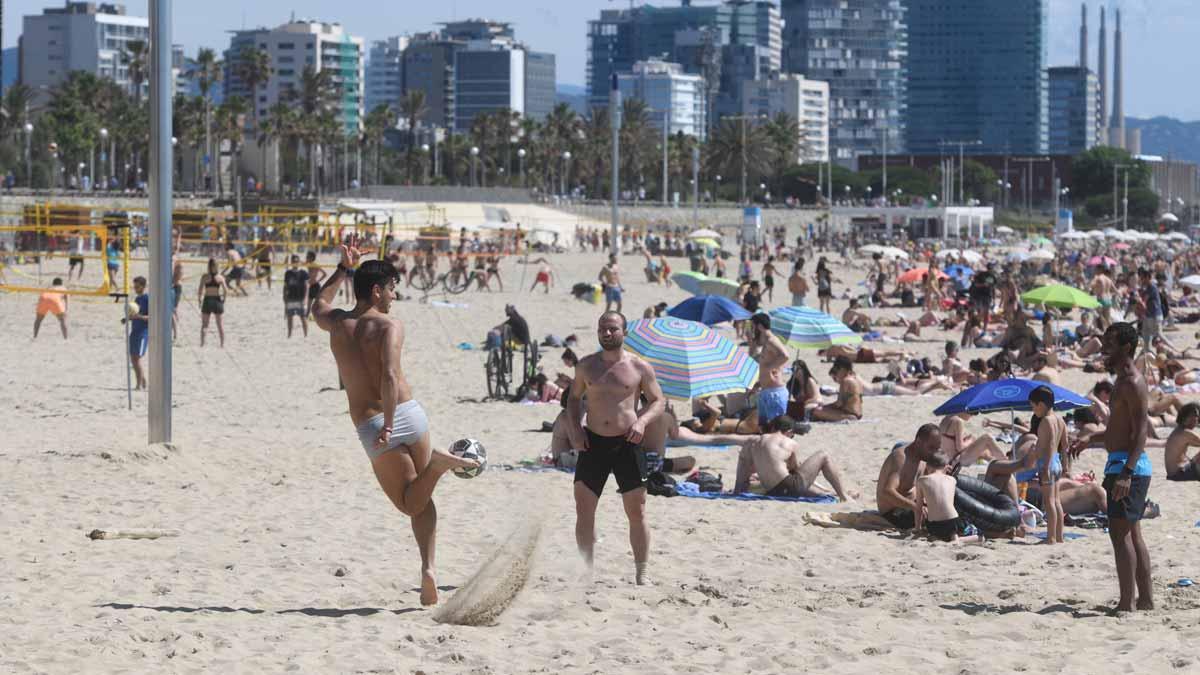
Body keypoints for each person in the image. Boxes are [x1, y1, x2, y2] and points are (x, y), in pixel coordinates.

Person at [312, 242, 478, 607]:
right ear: (376, 290)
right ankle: (429, 569)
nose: (394, 296)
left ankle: (436, 467)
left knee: (408, 503)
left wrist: (342, 267)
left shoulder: (338, 323)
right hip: (408, 414)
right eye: (391, 288)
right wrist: (393, 420)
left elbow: (317, 305)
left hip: (374, 424)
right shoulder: (389, 325)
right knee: (420, 497)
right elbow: (389, 374)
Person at [565, 311, 665, 585]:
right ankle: (586, 571)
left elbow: (658, 401)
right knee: (584, 509)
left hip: (627, 442)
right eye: (602, 329)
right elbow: (573, 400)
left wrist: (642, 422)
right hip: (592, 442)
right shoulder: (585, 366)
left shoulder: (639, 367)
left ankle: (642, 571)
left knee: (637, 509)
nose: (606, 334)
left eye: (612, 329)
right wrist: (574, 429)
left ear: (624, 332)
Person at [1095, 321, 1154, 612]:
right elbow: (1119, 428)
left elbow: (1142, 430)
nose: (1104, 345)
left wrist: (1126, 474)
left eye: (1110, 341)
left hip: (1127, 468)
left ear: (1126, 347)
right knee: (1133, 534)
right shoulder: (1121, 380)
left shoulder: (1132, 381)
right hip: (1121, 463)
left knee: (1119, 536)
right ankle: (1144, 600)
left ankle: (1126, 604)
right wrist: (1089, 438)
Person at [707, 416, 853, 501]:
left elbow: (746, 462)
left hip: (772, 490)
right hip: (789, 488)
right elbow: (795, 470)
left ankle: (737, 490)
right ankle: (843, 496)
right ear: (789, 432)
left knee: (744, 455)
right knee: (823, 455)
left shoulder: (755, 441)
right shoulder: (789, 442)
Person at [876, 424, 943, 530]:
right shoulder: (902, 459)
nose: (934, 452)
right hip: (894, 511)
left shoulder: (923, 458)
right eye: (931, 448)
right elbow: (887, 491)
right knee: (937, 518)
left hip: (915, 504)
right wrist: (914, 506)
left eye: (937, 449)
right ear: (918, 442)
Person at [1029, 385, 1067, 545]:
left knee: (1049, 501)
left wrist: (1045, 468)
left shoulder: (1046, 420)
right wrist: (1066, 465)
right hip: (1056, 461)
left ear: (1041, 404)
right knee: (1057, 501)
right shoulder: (1060, 420)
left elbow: (1051, 444)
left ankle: (1050, 537)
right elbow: (1065, 444)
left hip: (1048, 463)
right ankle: (1059, 536)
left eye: (1033, 406)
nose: (1033, 411)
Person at [749, 313, 790, 428]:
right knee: (763, 427)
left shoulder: (772, 340)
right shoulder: (766, 342)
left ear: (760, 327)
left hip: (774, 392)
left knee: (775, 428)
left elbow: (785, 356)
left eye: (753, 326)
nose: (752, 329)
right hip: (766, 391)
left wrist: (770, 368)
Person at [914, 452, 960, 542]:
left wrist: (917, 528)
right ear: (946, 467)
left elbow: (918, 508)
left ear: (927, 466)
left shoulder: (921, 480)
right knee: (952, 533)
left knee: (934, 537)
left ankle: (936, 537)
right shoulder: (952, 480)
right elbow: (951, 503)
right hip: (952, 520)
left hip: (934, 524)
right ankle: (955, 538)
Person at [811, 356, 863, 422]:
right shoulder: (857, 379)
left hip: (850, 414)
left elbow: (839, 403)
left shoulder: (845, 381)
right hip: (859, 413)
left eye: (837, 370)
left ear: (842, 369)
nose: (837, 373)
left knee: (817, 411)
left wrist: (825, 407)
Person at [1165, 402, 1200, 481]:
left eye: (1197, 416)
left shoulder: (1178, 430)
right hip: (1179, 473)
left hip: (1176, 471)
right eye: (1194, 416)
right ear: (1185, 417)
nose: (1196, 419)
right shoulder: (1185, 433)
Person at [198, 258, 228, 348]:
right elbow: (226, 291)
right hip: (217, 300)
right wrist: (224, 300)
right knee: (219, 324)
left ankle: (202, 343)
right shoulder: (220, 277)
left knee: (205, 324)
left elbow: (200, 290)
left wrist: (199, 300)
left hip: (207, 300)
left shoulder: (205, 277)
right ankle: (222, 344)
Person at [128, 276, 149, 391]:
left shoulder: (147, 299)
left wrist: (139, 317)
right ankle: (143, 381)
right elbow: (135, 315)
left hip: (143, 332)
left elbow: (152, 316)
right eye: (134, 286)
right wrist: (128, 318)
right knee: (133, 359)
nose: (135, 288)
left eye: (137, 286)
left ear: (143, 286)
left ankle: (139, 385)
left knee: (137, 359)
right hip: (134, 331)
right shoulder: (137, 299)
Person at [283, 254, 310, 338]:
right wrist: (284, 297)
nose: (295, 262)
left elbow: (307, 286)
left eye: (297, 261)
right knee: (290, 318)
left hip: (300, 298)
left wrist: (305, 298)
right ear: (291, 262)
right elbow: (285, 286)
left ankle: (306, 335)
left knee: (303, 317)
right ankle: (289, 335)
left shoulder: (303, 273)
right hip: (290, 298)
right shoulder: (288, 273)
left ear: (299, 262)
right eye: (294, 261)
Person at [305, 251, 326, 316]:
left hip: (316, 286)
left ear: (311, 258)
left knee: (318, 305)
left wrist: (317, 281)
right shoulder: (308, 264)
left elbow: (324, 274)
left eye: (307, 257)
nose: (306, 258)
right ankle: (306, 318)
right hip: (311, 286)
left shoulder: (315, 265)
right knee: (309, 305)